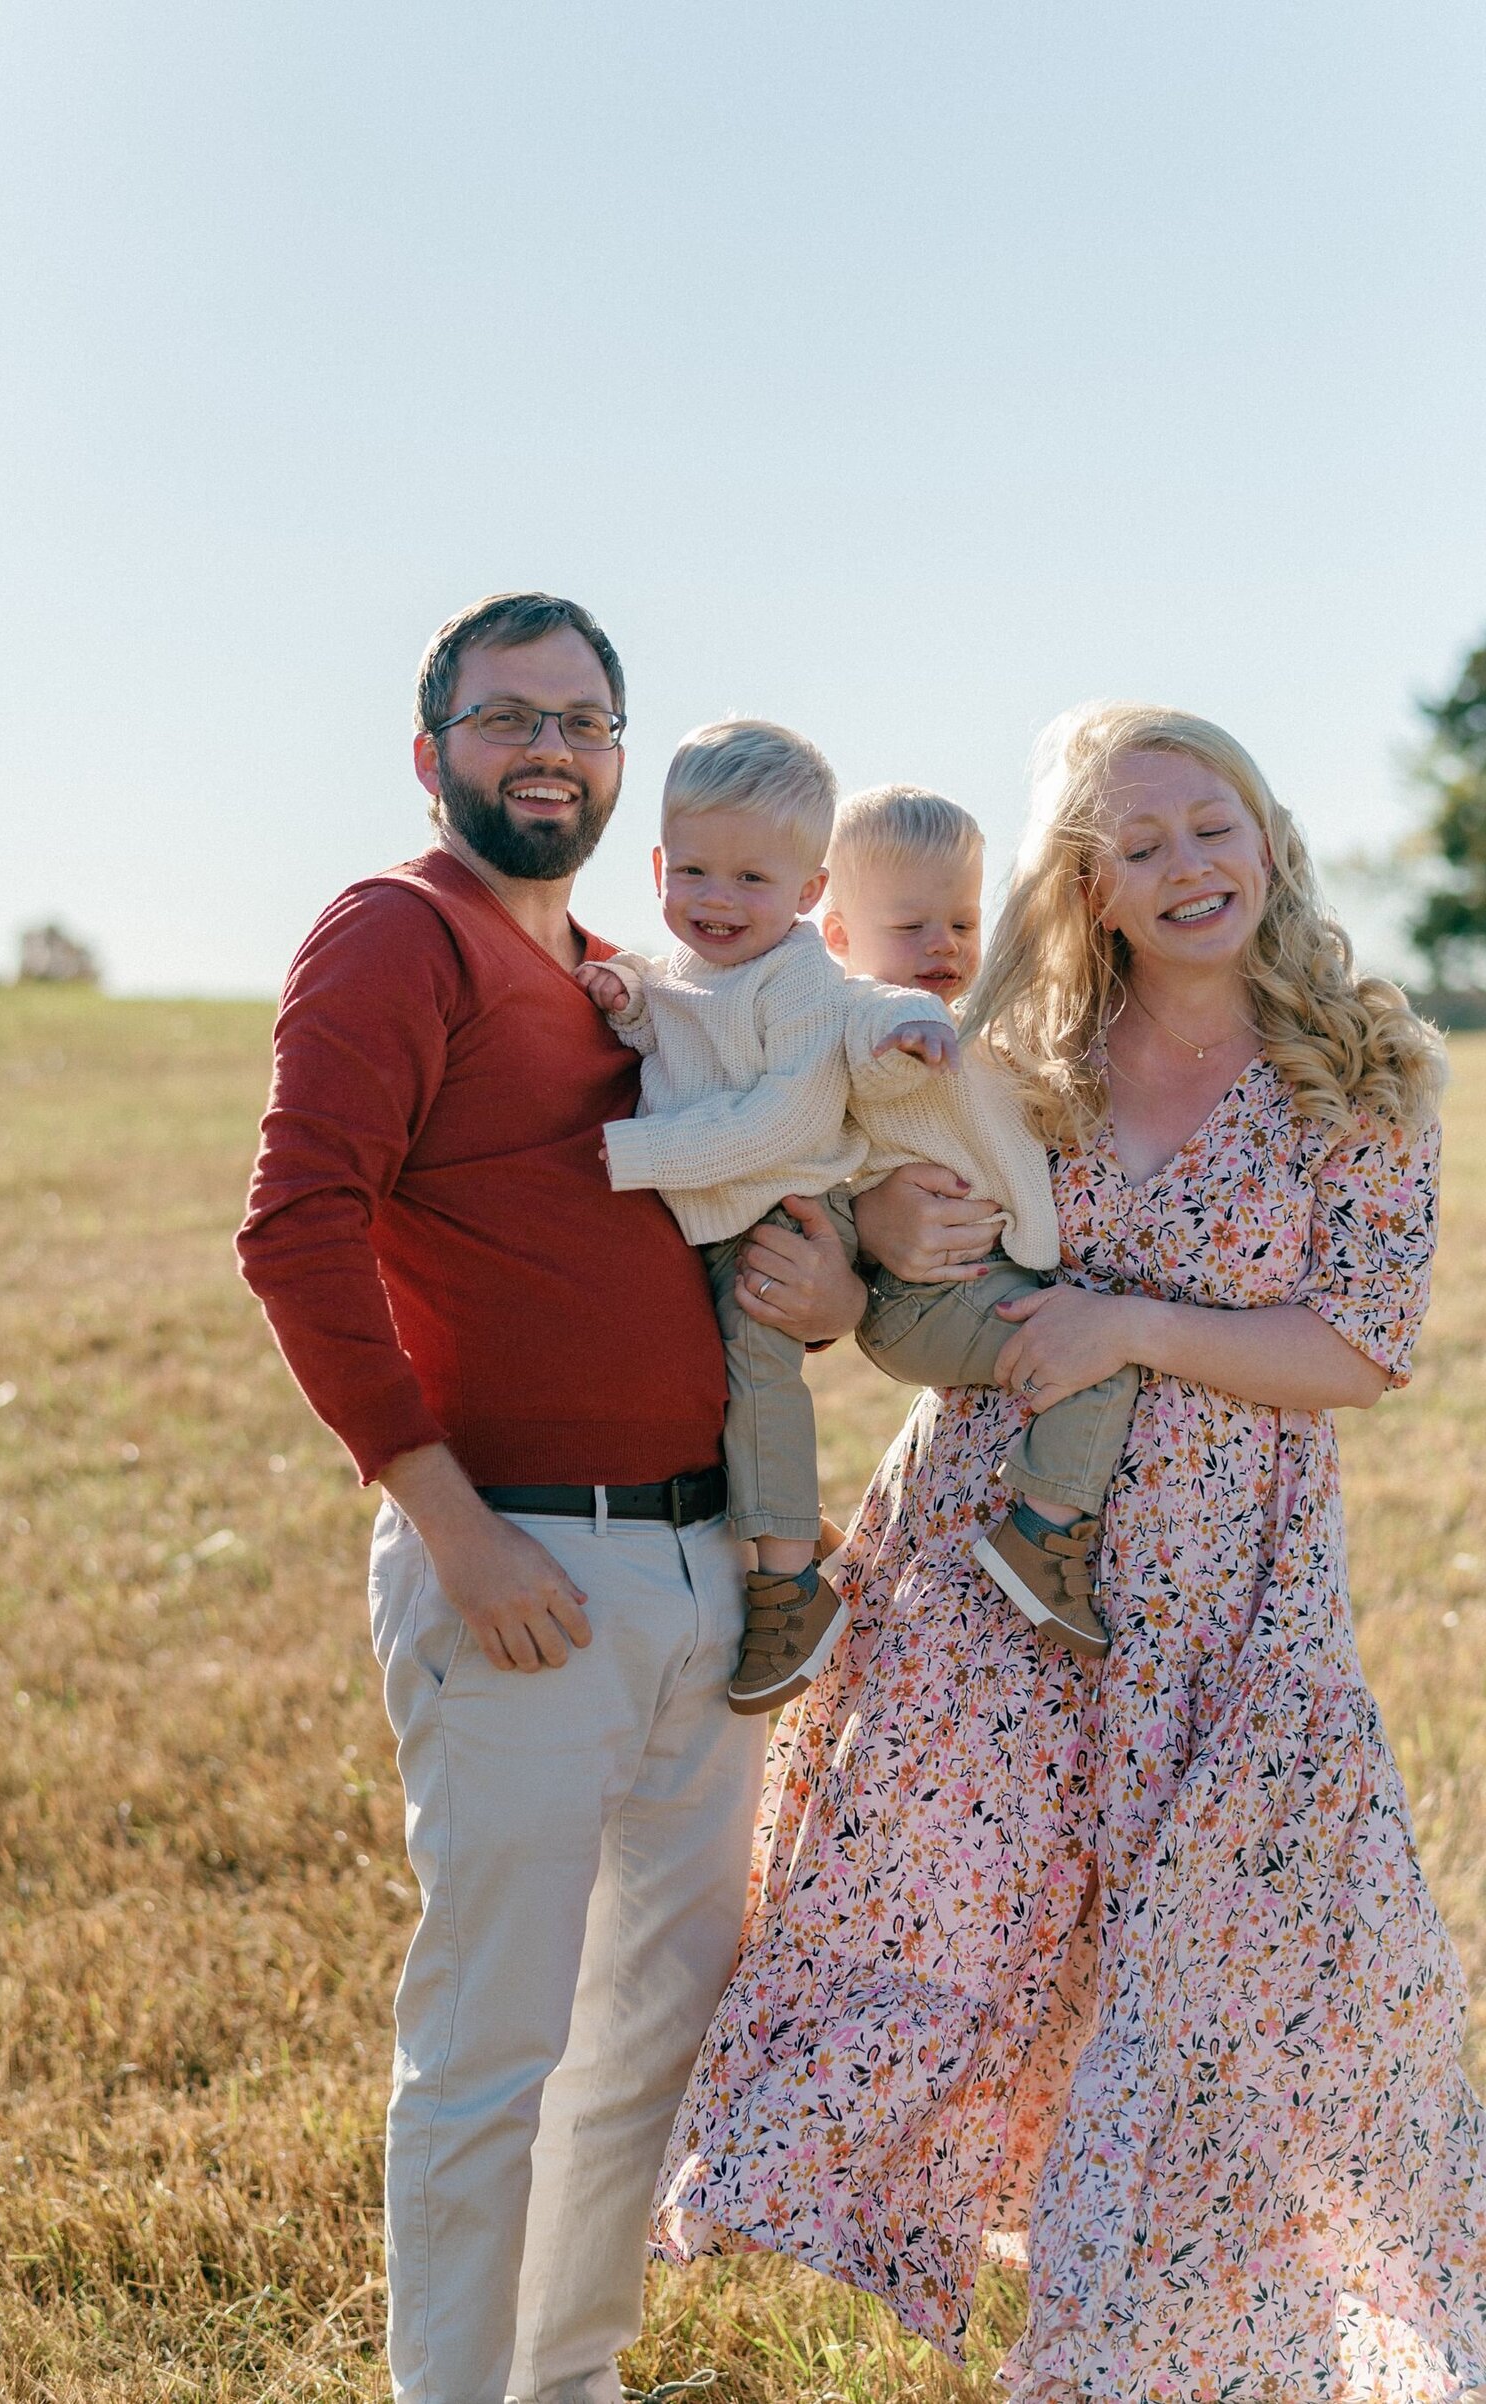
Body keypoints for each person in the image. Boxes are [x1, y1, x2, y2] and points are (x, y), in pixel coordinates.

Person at [654, 704, 1486, 2402]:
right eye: (1144, 842)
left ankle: (1194, 2338)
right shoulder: (1014, 1053)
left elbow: (1358, 1346)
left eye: (1215, 823)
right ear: (1091, 885)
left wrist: (1124, 1321)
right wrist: (882, 1231)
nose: (1191, 862)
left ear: (1268, 836)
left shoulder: (1370, 1062)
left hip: (1227, 1593)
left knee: (1257, 1977)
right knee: (950, 1915)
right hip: (990, 1567)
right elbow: (881, 1240)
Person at [234, 591, 869, 2404]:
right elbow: (295, 1228)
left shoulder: (631, 981)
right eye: (509, 715)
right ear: (430, 750)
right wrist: (451, 1520)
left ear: (620, 762)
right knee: (490, 2044)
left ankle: (568, 2377)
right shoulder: (394, 932)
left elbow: (710, 1224)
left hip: (704, 1566)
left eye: (585, 719)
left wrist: (825, 1298)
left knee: (644, 2041)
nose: (549, 745)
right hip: (521, 1557)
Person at [574, 720, 952, 1713]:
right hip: (707, 1213)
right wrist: (623, 1001)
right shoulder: (681, 967)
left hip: (779, 1206)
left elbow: (772, 1120)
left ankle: (787, 1584)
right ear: (657, 864)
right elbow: (666, 1025)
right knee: (705, 1386)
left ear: (809, 891)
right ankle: (786, 1530)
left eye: (751, 879)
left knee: (757, 1370)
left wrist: (628, 1157)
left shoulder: (798, 980)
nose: (717, 900)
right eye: (693, 870)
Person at [824, 783, 1141, 1657]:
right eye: (911, 927)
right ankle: (1039, 1536)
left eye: (962, 925)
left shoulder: (965, 1030)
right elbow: (870, 1067)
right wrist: (905, 1034)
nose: (943, 946)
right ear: (840, 937)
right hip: (921, 1299)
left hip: (952, 1286)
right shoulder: (870, 1024)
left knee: (1084, 1347)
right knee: (1089, 1363)